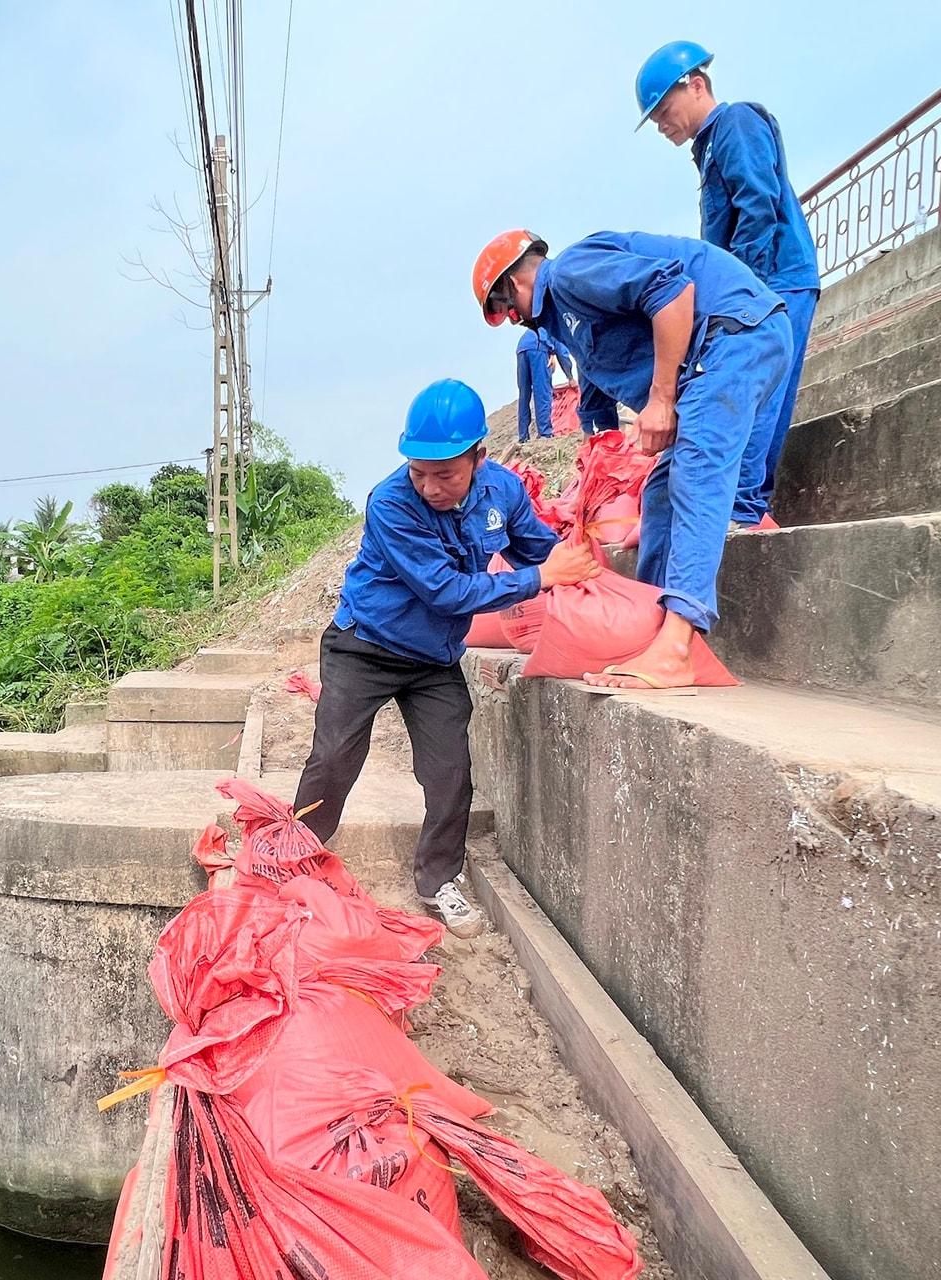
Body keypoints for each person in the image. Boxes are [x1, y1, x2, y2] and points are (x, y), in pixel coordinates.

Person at [292, 379, 600, 937]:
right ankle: (294, 861)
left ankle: (438, 882)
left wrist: (579, 564)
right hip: (365, 646)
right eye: (419, 472)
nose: (431, 486)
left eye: (446, 473)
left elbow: (534, 547)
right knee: (334, 756)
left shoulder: (501, 491)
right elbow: (447, 592)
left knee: (451, 772)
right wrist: (540, 580)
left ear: (479, 458)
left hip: (433, 659)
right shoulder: (390, 504)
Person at [472, 228, 791, 689]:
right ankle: (650, 628)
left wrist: (661, 401)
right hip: (716, 352)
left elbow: (672, 291)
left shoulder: (568, 273)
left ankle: (678, 645)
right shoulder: (569, 317)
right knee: (660, 496)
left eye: (507, 310)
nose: (517, 320)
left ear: (513, 287)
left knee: (696, 476)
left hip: (732, 335)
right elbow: (599, 382)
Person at [636, 40, 820, 525]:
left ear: (696, 86)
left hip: (774, 283)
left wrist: (743, 295)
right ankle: (745, 504)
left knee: (756, 395)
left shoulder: (735, 122)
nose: (661, 125)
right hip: (763, 288)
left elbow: (757, 206)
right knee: (753, 393)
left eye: (663, 110)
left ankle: (743, 509)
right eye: (654, 118)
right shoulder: (710, 147)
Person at [513, 325, 572, 441]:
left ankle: (523, 436)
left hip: (521, 348)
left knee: (524, 395)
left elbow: (555, 352)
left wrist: (552, 354)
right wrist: (570, 377)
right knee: (542, 392)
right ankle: (545, 433)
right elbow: (563, 354)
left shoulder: (540, 325)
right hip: (538, 347)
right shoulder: (557, 329)